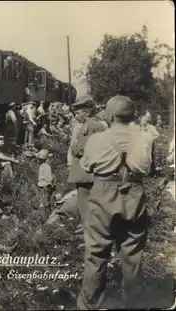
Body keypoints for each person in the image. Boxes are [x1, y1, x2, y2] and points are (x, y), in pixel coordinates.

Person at [77, 95, 154, 309]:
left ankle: (90, 304)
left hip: (103, 192)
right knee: (132, 253)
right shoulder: (146, 137)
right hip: (134, 193)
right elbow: (150, 168)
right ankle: (134, 303)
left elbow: (86, 166)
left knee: (96, 252)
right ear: (133, 115)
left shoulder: (97, 139)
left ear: (110, 116)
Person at [66, 95, 105, 235]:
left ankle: (88, 227)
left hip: (85, 169)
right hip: (91, 168)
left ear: (87, 112)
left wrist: (73, 148)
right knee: (89, 198)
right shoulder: (97, 124)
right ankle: (88, 225)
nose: (75, 116)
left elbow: (81, 149)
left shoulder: (89, 126)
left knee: (84, 198)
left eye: (77, 113)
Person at [36, 149, 54, 215]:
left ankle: (47, 214)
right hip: (42, 186)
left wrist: (49, 185)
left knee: (46, 200)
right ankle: (43, 213)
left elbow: (49, 177)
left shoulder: (46, 166)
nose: (38, 160)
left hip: (45, 186)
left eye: (39, 159)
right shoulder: (42, 166)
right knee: (42, 200)